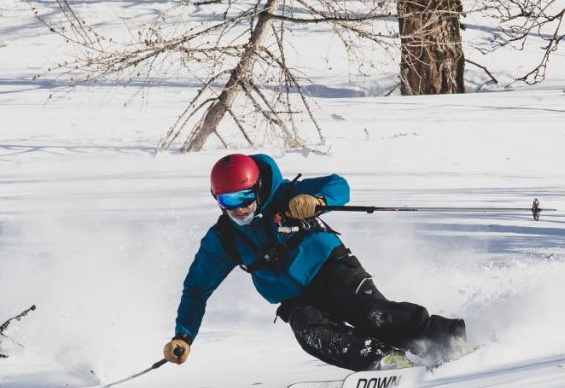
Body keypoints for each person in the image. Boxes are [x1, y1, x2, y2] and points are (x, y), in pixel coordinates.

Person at [163, 153, 468, 372]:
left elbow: (339, 186)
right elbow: (196, 289)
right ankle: (382, 360)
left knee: (373, 315)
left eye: (244, 197)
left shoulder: (284, 195)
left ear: (257, 188)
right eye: (228, 201)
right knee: (309, 331)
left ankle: (448, 339)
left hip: (331, 268)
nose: (239, 209)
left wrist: (317, 202)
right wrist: (183, 335)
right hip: (296, 299)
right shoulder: (223, 238)